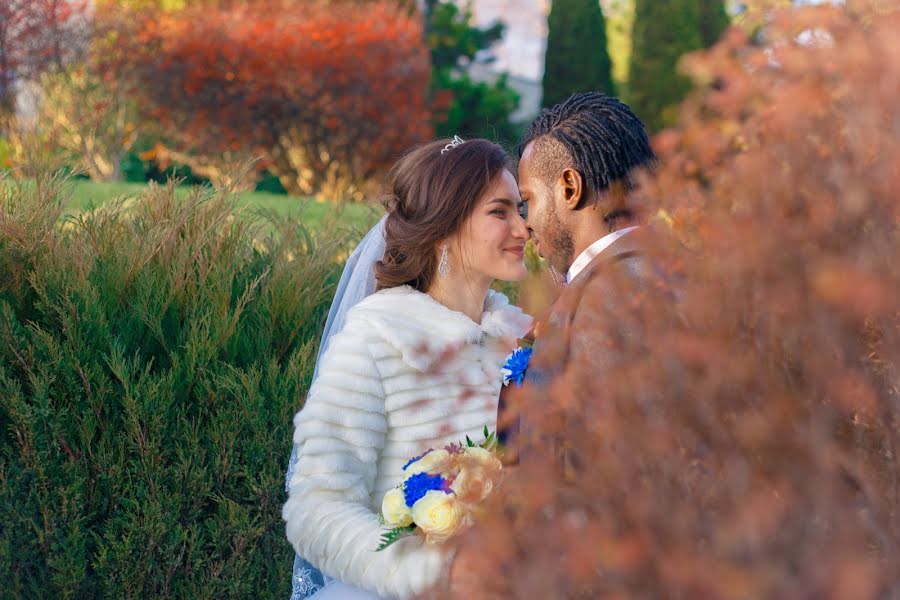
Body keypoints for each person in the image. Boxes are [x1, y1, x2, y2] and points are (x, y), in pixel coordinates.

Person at [283, 137, 533, 600]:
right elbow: (315, 510)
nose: (523, 227)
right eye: (500, 212)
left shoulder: (520, 341)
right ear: (443, 228)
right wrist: (428, 574)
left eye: (520, 209)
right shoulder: (377, 339)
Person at [499, 91, 659, 466]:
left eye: (529, 201)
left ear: (570, 188)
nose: (526, 224)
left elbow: (600, 462)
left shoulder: (609, 296)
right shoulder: (672, 267)